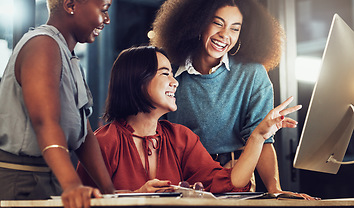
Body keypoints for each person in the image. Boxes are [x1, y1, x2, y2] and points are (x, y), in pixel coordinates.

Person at [77, 46, 303, 196]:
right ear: (137, 80)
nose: (174, 82)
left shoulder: (180, 138)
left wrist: (258, 135)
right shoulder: (103, 142)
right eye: (165, 73)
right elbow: (85, 199)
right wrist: (138, 196)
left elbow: (231, 182)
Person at [149, 0, 297, 195]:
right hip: (179, 179)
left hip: (234, 177)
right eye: (217, 24)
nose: (224, 35)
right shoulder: (168, 71)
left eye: (235, 28)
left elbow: (262, 137)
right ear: (198, 23)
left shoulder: (253, 74)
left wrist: (275, 189)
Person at [0, 0, 115, 207]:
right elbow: (45, 121)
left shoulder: (70, 57)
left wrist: (110, 191)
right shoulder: (43, 45)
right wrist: (72, 184)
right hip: (19, 179)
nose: (107, 19)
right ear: (70, 4)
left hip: (50, 176)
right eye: (103, 10)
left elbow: (82, 134)